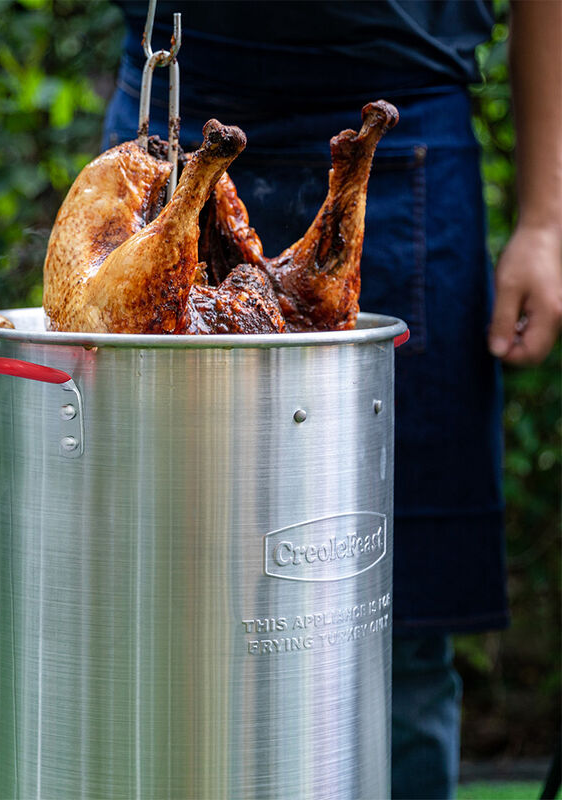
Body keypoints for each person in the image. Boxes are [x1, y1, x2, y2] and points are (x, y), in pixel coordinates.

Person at [102, 2, 562, 798]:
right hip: (175, 113)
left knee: (399, 638)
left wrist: (547, 221)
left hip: (399, 124)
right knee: (151, 611)